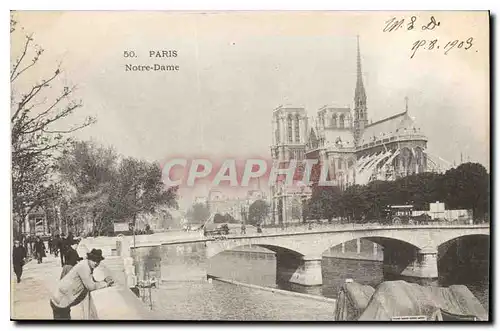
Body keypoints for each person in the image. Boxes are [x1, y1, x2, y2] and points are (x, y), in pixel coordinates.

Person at [50, 249, 114, 320]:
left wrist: (103, 281)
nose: (96, 263)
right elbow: (91, 286)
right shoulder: (84, 267)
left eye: (98, 261)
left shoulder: (86, 265)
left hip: (62, 301)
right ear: (89, 259)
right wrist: (105, 283)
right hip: (60, 302)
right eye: (94, 260)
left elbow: (91, 281)